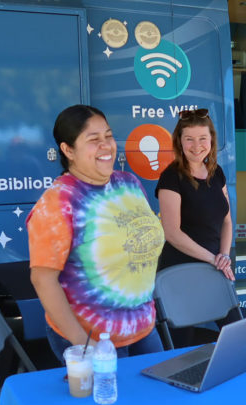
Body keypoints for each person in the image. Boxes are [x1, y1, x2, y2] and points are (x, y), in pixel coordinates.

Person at [27, 104, 164, 363]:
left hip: (144, 327)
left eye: (108, 136)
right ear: (68, 150)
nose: (106, 145)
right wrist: (84, 346)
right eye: (93, 140)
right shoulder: (58, 202)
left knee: (159, 399)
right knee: (114, 403)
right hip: (93, 339)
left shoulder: (129, 183)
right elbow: (43, 280)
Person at [155, 108, 236, 347]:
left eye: (203, 138)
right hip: (181, 272)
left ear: (211, 139)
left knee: (236, 334)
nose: (196, 145)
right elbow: (173, 234)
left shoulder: (216, 172)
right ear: (179, 141)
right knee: (181, 345)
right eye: (189, 138)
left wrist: (223, 255)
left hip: (214, 267)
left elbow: (227, 221)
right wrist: (214, 259)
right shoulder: (171, 177)